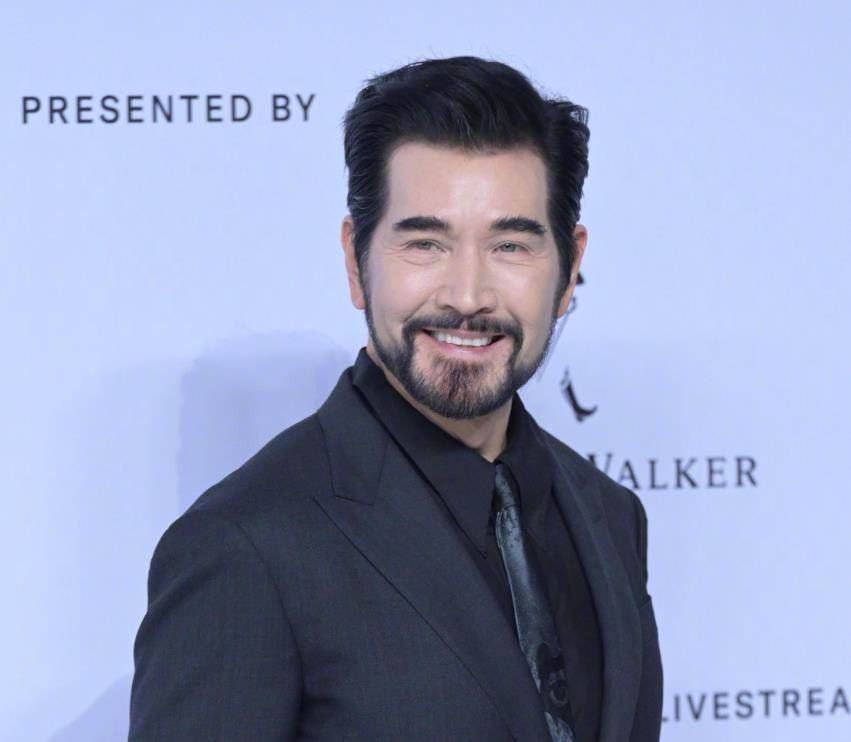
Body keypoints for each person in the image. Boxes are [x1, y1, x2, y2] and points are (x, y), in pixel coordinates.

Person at [128, 55, 663, 742]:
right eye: (426, 244)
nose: (468, 296)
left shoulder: (609, 516)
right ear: (357, 261)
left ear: (568, 268)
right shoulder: (248, 547)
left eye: (509, 246)